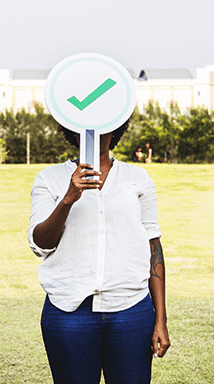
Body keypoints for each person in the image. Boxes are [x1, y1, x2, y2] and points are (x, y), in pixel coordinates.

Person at [28, 123, 171, 384]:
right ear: (71, 130)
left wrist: (160, 319)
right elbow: (41, 243)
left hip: (131, 311)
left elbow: (154, 247)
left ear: (116, 129)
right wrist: (68, 199)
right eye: (84, 126)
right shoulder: (49, 178)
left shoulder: (137, 177)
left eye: (104, 124)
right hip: (69, 311)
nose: (94, 131)